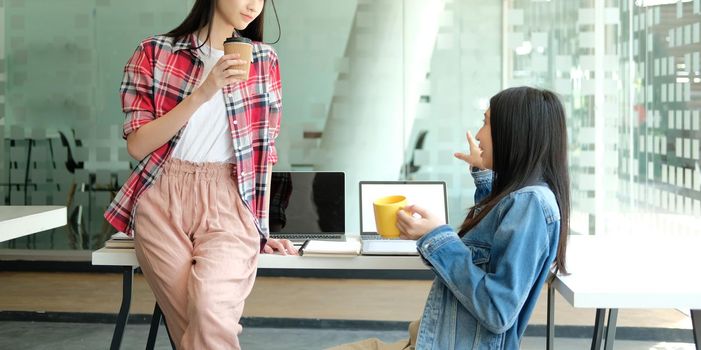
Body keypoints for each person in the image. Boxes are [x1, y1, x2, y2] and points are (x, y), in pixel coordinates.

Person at [103, 0, 297, 348]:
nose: (254, 5)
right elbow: (137, 145)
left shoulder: (264, 60)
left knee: (209, 311)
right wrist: (204, 91)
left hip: (228, 198)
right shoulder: (153, 53)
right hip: (161, 198)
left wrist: (262, 229)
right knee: (194, 321)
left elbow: (263, 154)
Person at [330, 86, 570, 350]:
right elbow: (489, 248)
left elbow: (497, 310)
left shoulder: (531, 205)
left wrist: (436, 236)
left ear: (514, 134)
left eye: (487, 123)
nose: (478, 135)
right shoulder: (525, 200)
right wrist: (485, 174)